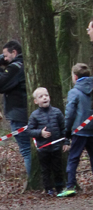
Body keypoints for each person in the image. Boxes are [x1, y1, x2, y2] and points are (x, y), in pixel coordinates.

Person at [0, 41, 31, 178]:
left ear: (14, 52)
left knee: (26, 150)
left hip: (19, 114)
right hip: (25, 112)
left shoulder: (15, 67)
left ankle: (34, 180)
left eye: (6, 55)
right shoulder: (25, 64)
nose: (4, 58)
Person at [58, 62, 93, 198]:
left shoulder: (74, 92)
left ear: (75, 77)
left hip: (79, 130)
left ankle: (70, 186)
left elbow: (70, 113)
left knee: (73, 158)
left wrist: (67, 132)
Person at [26, 88, 65, 196]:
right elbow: (29, 131)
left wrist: (66, 142)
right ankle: (48, 189)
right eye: (41, 96)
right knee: (45, 170)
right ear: (36, 101)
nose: (44, 98)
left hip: (56, 147)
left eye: (46, 95)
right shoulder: (34, 115)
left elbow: (64, 129)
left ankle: (60, 188)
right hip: (43, 148)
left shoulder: (57, 112)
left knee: (58, 168)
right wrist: (40, 133)